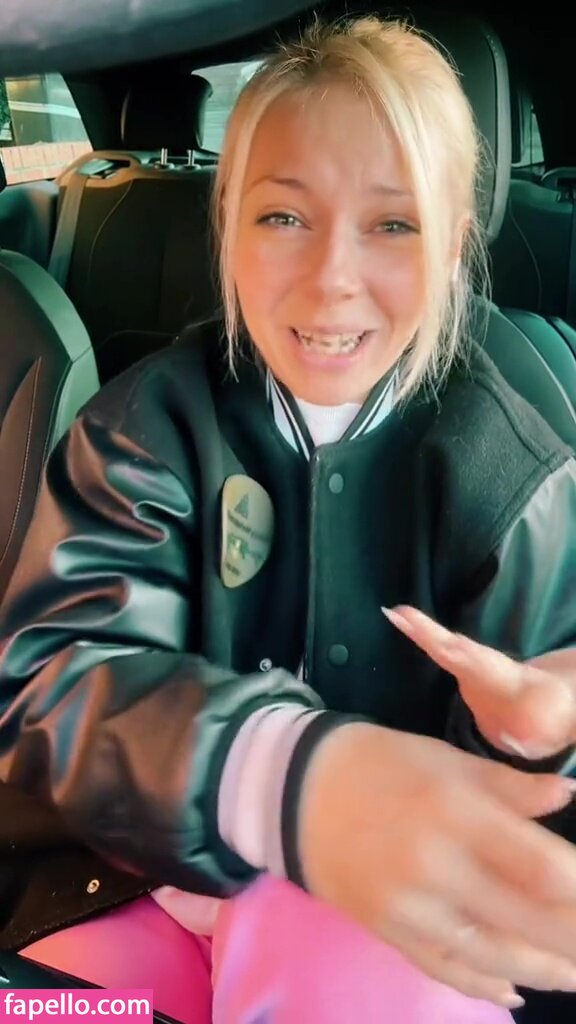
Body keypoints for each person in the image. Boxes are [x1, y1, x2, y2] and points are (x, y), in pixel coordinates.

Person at [1, 12, 576, 1024]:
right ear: (226, 227)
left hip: (388, 902)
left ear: (453, 246)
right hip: (128, 877)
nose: (331, 278)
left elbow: (529, 824)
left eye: (393, 225)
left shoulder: (517, 479)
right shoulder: (141, 430)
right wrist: (283, 777)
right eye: (282, 217)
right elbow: (61, 680)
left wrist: (538, 743)